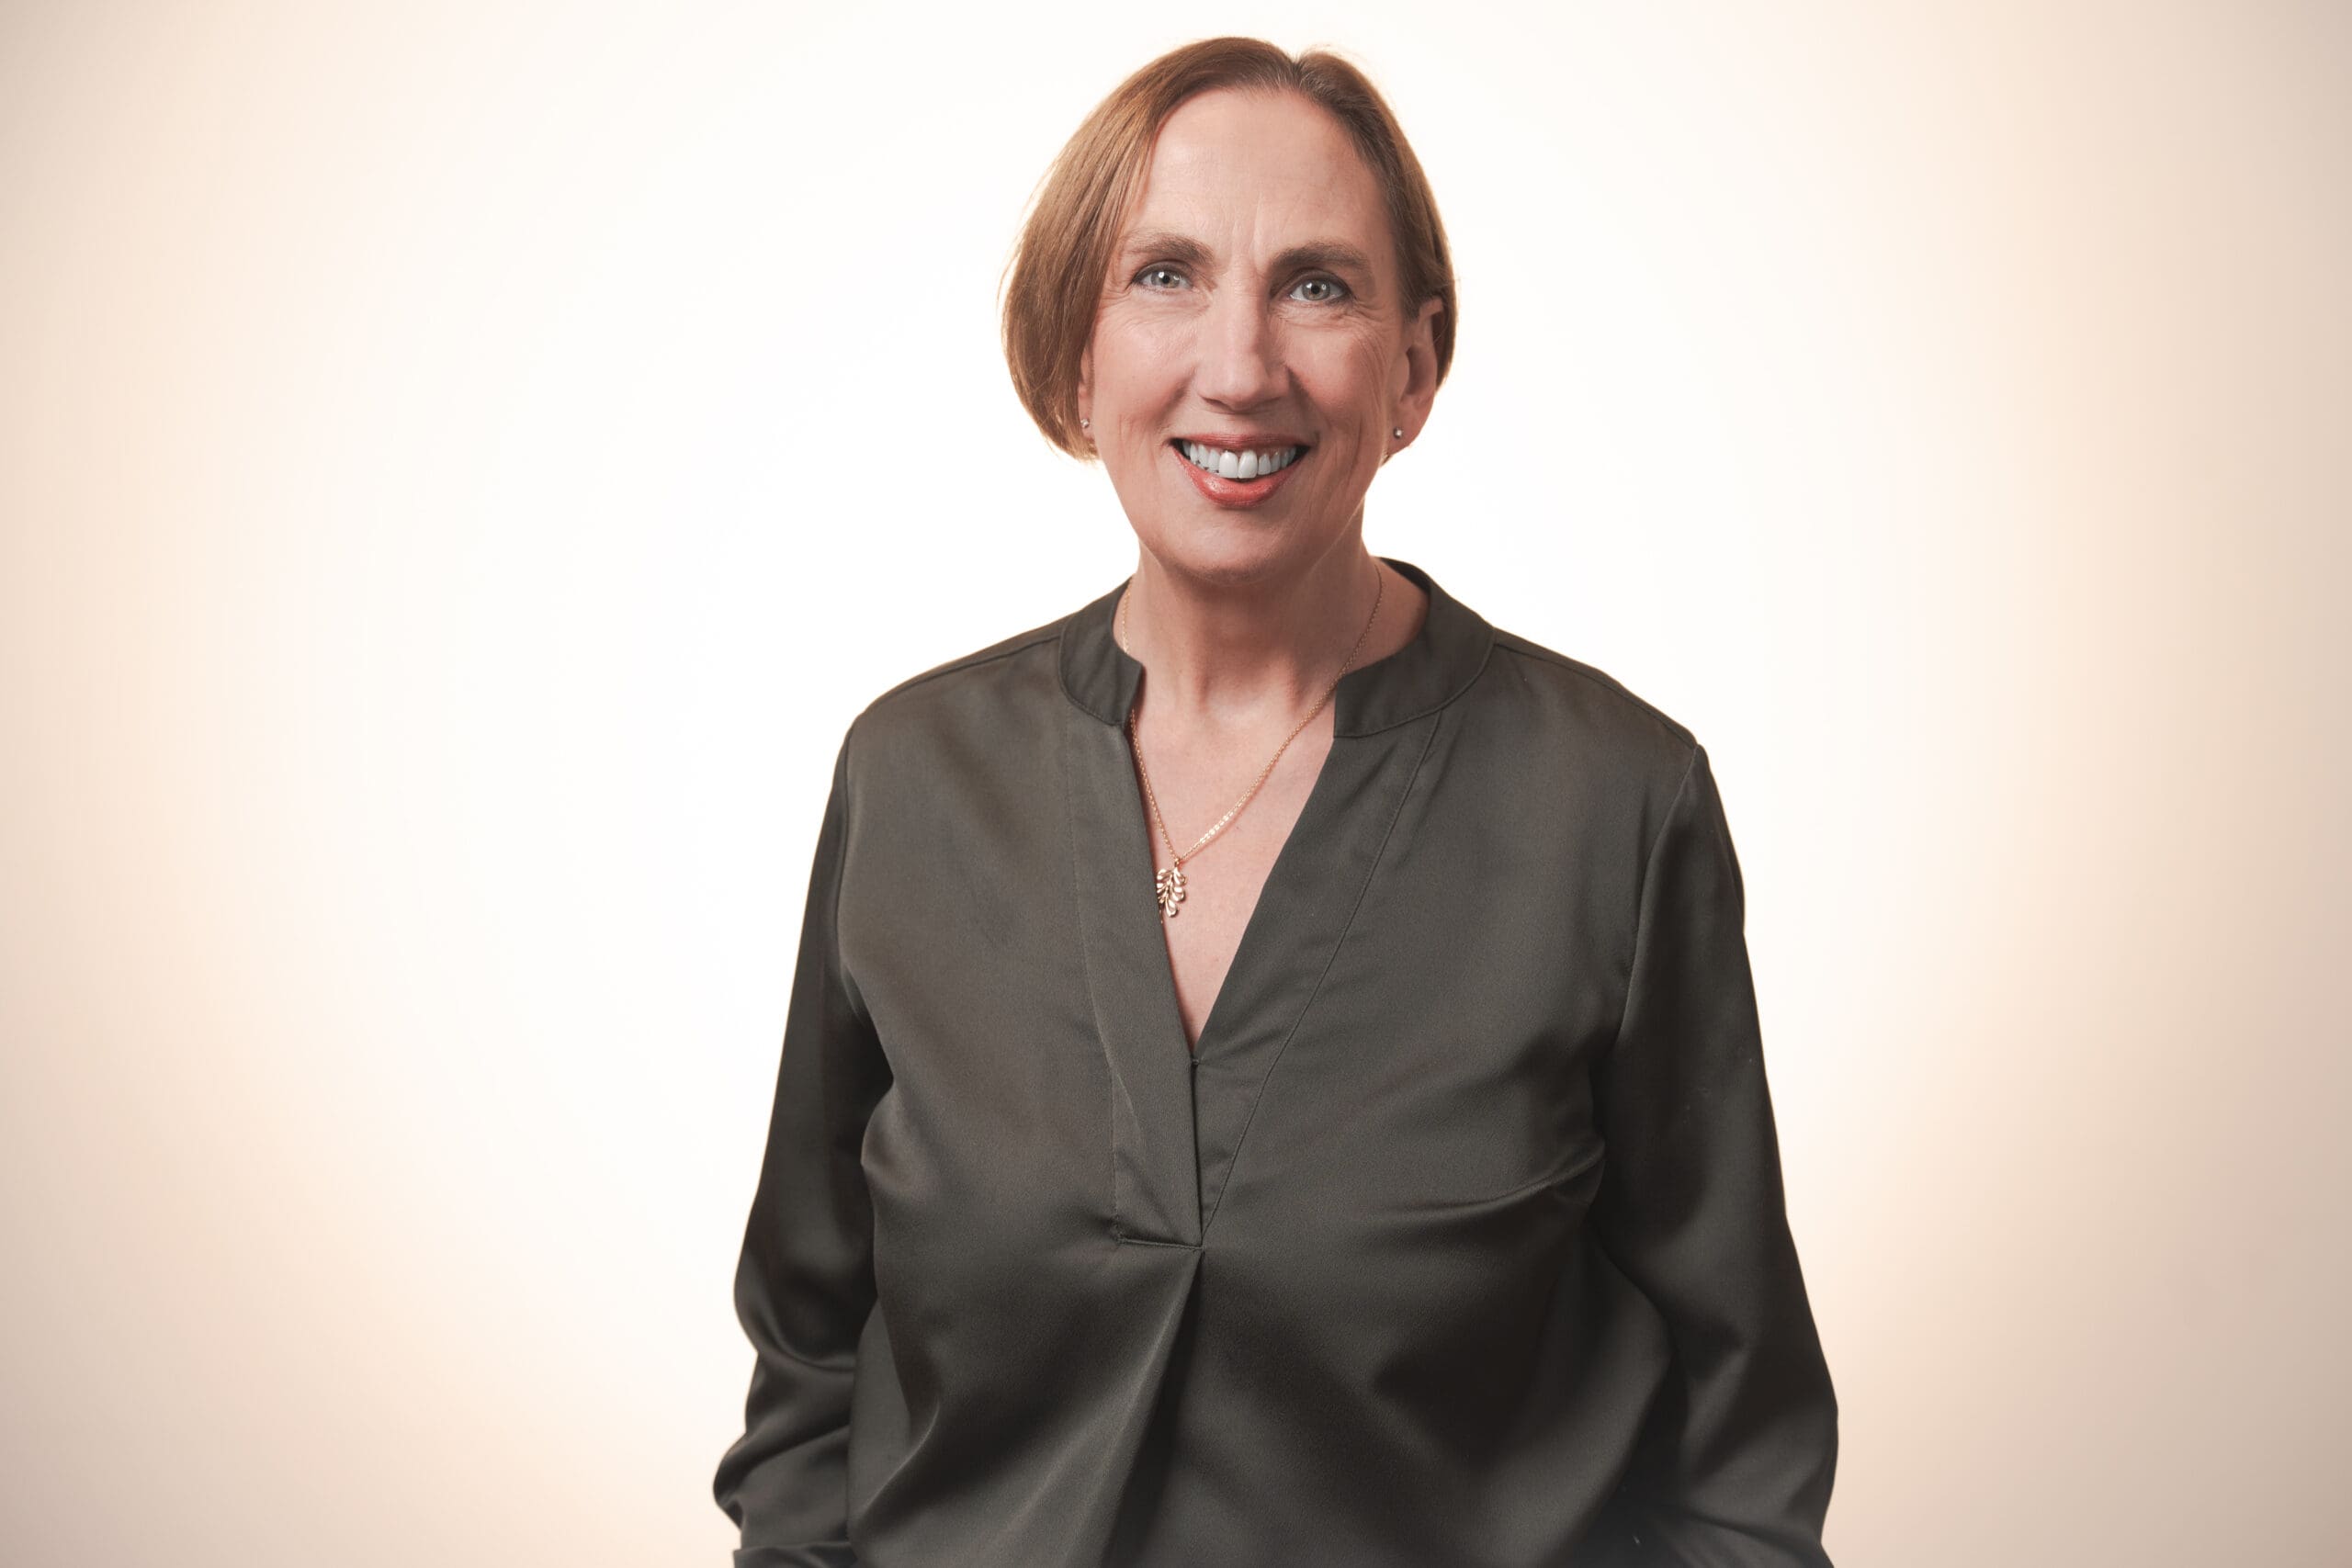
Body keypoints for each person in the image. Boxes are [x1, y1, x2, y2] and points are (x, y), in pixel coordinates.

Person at [713, 35, 1837, 1568]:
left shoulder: (1613, 809)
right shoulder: (912, 781)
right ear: (1080, 348)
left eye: (1317, 286)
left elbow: (1741, 1464)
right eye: (1164, 275)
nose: (1238, 365)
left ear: (1416, 365)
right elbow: (809, 1378)